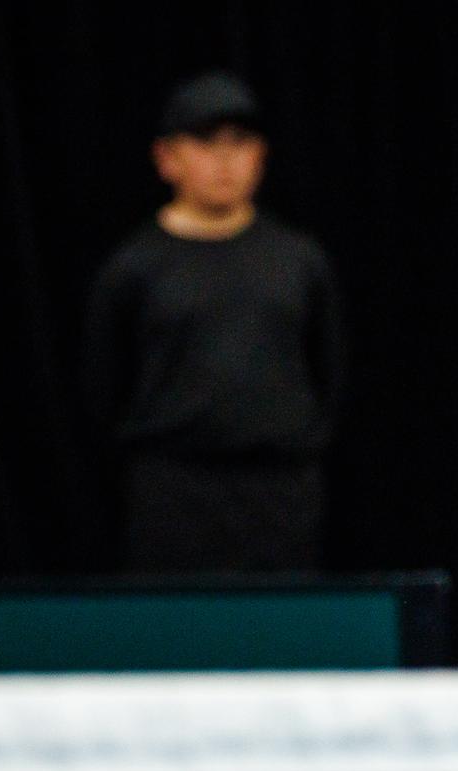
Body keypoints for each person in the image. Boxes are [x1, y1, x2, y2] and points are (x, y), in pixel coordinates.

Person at [82, 71, 343, 572]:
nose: (225, 160)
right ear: (167, 158)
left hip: (281, 491)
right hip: (174, 493)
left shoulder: (298, 258)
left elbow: (329, 368)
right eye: (205, 142)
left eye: (240, 143)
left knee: (278, 633)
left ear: (261, 155)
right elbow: (103, 384)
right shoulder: (134, 266)